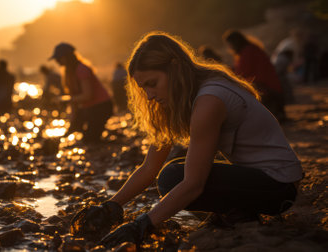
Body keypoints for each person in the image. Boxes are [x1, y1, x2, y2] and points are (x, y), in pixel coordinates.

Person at [70, 32, 302, 249]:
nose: (149, 95)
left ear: (175, 67)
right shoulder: (181, 97)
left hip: (278, 187)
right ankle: (239, 215)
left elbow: (194, 184)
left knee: (173, 177)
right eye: (144, 88)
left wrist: (141, 225)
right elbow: (150, 166)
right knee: (172, 173)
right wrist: (112, 205)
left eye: (152, 83)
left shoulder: (209, 100)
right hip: (256, 179)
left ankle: (236, 213)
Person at [49, 42, 113, 144]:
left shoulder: (82, 69)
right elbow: (74, 100)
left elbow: (87, 95)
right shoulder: (69, 73)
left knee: (90, 140)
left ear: (66, 57)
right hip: (89, 108)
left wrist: (65, 99)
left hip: (101, 107)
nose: (57, 62)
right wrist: (72, 123)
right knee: (80, 131)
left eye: (58, 59)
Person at [223, 30, 286, 122]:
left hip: (268, 90)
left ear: (235, 42)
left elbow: (242, 74)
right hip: (270, 88)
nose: (229, 47)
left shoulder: (248, 51)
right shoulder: (251, 49)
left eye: (229, 44)